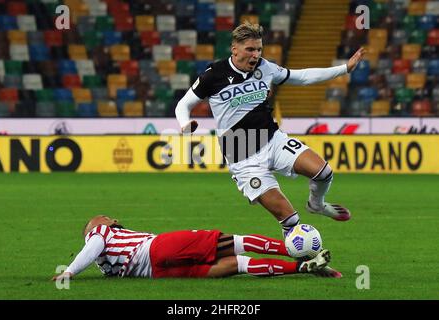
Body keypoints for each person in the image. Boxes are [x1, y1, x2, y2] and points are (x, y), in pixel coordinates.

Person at [175, 22, 365, 238]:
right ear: (234, 48)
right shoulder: (213, 74)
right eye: (250, 49)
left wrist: (344, 69)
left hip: (273, 140)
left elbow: (301, 77)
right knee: (291, 220)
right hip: (243, 157)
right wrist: (184, 125)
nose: (255, 55)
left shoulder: (265, 68)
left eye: (258, 49)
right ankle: (301, 261)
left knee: (324, 172)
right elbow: (183, 105)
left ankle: (317, 205)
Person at [52, 215, 340, 282]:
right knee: (230, 242)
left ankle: (301, 267)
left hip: (155, 274)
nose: (110, 218)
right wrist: (71, 271)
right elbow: (92, 246)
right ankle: (291, 250)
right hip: (157, 248)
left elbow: (96, 255)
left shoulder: (106, 266)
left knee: (235, 265)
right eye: (103, 217)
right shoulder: (101, 233)